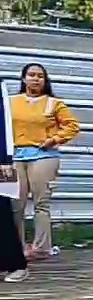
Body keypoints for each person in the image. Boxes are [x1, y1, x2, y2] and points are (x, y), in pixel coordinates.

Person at [10, 63, 79, 259]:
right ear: (23, 78)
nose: (35, 79)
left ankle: (41, 248)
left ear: (45, 80)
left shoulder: (53, 103)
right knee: (14, 204)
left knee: (41, 203)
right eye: (31, 75)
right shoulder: (10, 101)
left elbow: (72, 126)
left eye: (40, 76)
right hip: (13, 156)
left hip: (44, 156)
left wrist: (55, 139)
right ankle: (15, 247)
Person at [1, 79, 29, 283]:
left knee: (2, 210)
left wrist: (6, 159)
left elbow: (4, 123)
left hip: (1, 162)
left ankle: (16, 264)